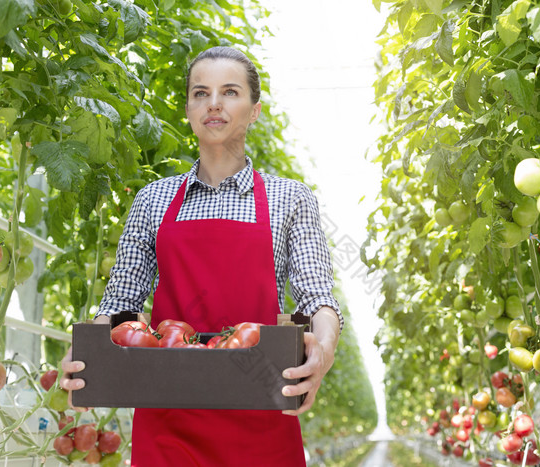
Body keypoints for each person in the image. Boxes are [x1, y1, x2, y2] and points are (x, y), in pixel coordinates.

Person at [59, 46, 343, 466]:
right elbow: (121, 304)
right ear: (189, 111)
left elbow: (317, 297)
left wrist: (323, 347)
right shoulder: (154, 199)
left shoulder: (289, 198)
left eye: (230, 92)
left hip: (262, 407)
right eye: (200, 93)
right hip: (167, 411)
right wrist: (88, 352)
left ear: (254, 110)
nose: (213, 104)